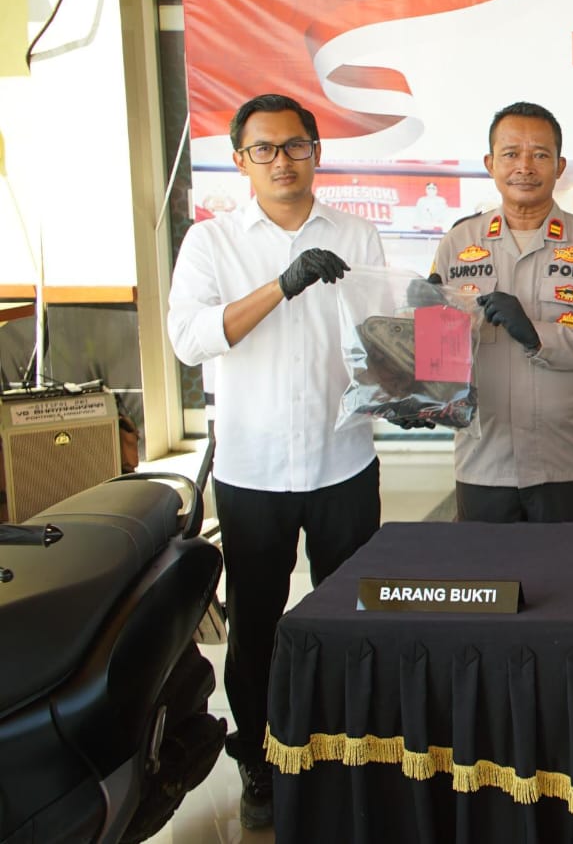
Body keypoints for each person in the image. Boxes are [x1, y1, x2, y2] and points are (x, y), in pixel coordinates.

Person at [167, 93, 385, 830]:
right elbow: (190, 340)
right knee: (257, 621)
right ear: (240, 160)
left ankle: (355, 747)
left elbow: (382, 337)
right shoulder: (211, 243)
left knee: (354, 614)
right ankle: (257, 757)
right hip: (254, 468)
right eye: (264, 149)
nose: (281, 161)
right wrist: (283, 285)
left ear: (317, 152)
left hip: (343, 458)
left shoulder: (357, 234)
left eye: (294, 146)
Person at [425, 102, 573, 522]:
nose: (524, 166)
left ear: (559, 166)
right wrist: (420, 380)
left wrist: (538, 335)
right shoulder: (458, 242)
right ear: (490, 163)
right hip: (483, 460)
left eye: (539, 154)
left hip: (565, 460)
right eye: (510, 154)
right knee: (485, 564)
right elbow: (436, 355)